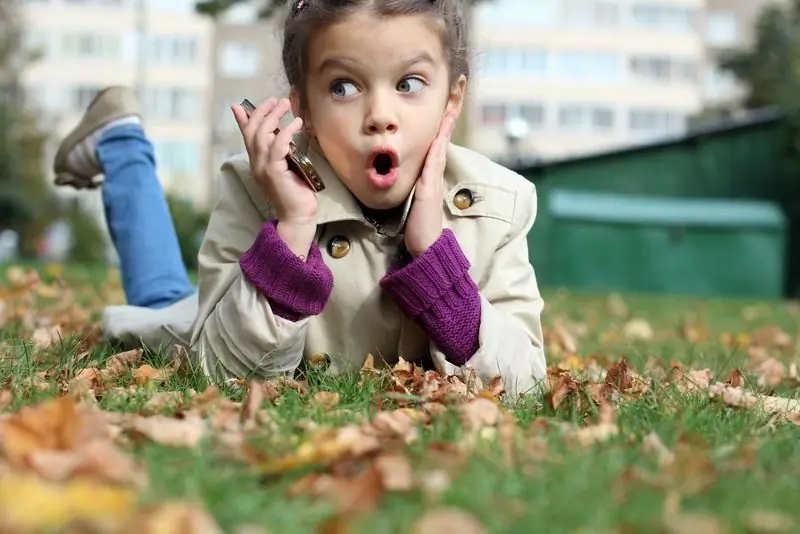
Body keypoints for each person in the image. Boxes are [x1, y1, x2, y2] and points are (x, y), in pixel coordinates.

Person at [53, 0, 547, 397]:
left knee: (166, 291)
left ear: (452, 100)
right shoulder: (258, 185)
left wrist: (434, 256)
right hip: (218, 314)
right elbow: (219, 375)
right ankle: (120, 142)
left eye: (409, 84)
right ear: (303, 108)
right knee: (163, 301)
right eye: (344, 86)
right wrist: (291, 230)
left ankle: (119, 140)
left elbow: (523, 385)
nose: (380, 114)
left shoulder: (498, 205)